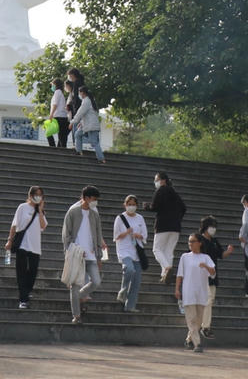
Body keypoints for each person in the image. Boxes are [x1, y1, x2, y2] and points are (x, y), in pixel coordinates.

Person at [61, 185, 106, 324]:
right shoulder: (73, 212)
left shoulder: (94, 214)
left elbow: (98, 235)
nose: (95, 202)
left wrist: (99, 256)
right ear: (86, 198)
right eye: (93, 199)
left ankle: (79, 296)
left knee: (96, 281)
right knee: (74, 285)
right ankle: (76, 315)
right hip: (77, 254)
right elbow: (66, 234)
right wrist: (69, 252)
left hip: (92, 255)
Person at [5, 185, 47, 309]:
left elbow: (43, 226)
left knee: (33, 271)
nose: (38, 197)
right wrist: (9, 240)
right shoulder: (22, 207)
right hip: (22, 244)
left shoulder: (40, 211)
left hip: (35, 246)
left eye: (40, 195)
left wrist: (40, 210)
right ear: (30, 195)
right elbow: (14, 225)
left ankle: (27, 291)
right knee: (21, 272)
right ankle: (23, 299)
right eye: (36, 194)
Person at [175, 233, 216, 353]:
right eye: (189, 242)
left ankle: (189, 340)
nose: (190, 244)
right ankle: (197, 344)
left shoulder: (205, 257)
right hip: (188, 292)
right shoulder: (185, 257)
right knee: (191, 319)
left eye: (193, 241)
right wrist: (177, 289)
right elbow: (179, 274)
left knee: (198, 321)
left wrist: (206, 267)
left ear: (200, 243)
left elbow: (213, 273)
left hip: (201, 292)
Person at [145, 171, 187, 284]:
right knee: (169, 251)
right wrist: (177, 218)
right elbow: (184, 208)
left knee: (157, 249)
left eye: (156, 180)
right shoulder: (174, 192)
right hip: (175, 227)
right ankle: (164, 275)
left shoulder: (161, 190)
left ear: (163, 180)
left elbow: (154, 207)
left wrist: (147, 207)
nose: (155, 182)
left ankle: (167, 268)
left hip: (163, 225)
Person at [197, 215, 235, 338]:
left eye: (214, 226)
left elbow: (220, 254)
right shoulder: (198, 240)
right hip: (201, 276)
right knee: (203, 304)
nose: (213, 229)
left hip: (212, 276)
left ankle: (200, 330)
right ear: (205, 227)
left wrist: (228, 252)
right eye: (211, 226)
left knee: (209, 302)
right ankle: (204, 328)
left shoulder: (214, 241)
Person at [113, 194, 148, 313]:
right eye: (129, 204)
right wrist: (126, 233)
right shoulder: (120, 218)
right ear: (125, 205)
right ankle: (122, 291)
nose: (131, 207)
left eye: (133, 204)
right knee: (129, 269)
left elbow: (145, 234)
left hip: (137, 251)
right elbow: (116, 236)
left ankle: (130, 306)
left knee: (136, 280)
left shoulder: (140, 218)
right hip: (124, 249)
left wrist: (139, 235)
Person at [70, 86, 105, 164]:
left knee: (94, 143)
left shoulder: (86, 101)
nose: (79, 94)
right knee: (77, 134)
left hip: (91, 126)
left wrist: (72, 122)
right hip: (87, 125)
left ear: (82, 93)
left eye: (79, 92)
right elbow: (88, 115)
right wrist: (81, 123)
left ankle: (101, 159)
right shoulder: (91, 101)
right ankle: (79, 151)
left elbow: (80, 113)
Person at [49, 77, 70, 148]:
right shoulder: (60, 92)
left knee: (49, 132)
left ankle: (53, 147)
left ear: (55, 84)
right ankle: (58, 148)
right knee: (62, 137)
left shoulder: (57, 92)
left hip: (58, 117)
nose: (52, 87)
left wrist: (51, 115)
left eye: (52, 85)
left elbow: (55, 104)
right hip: (62, 117)